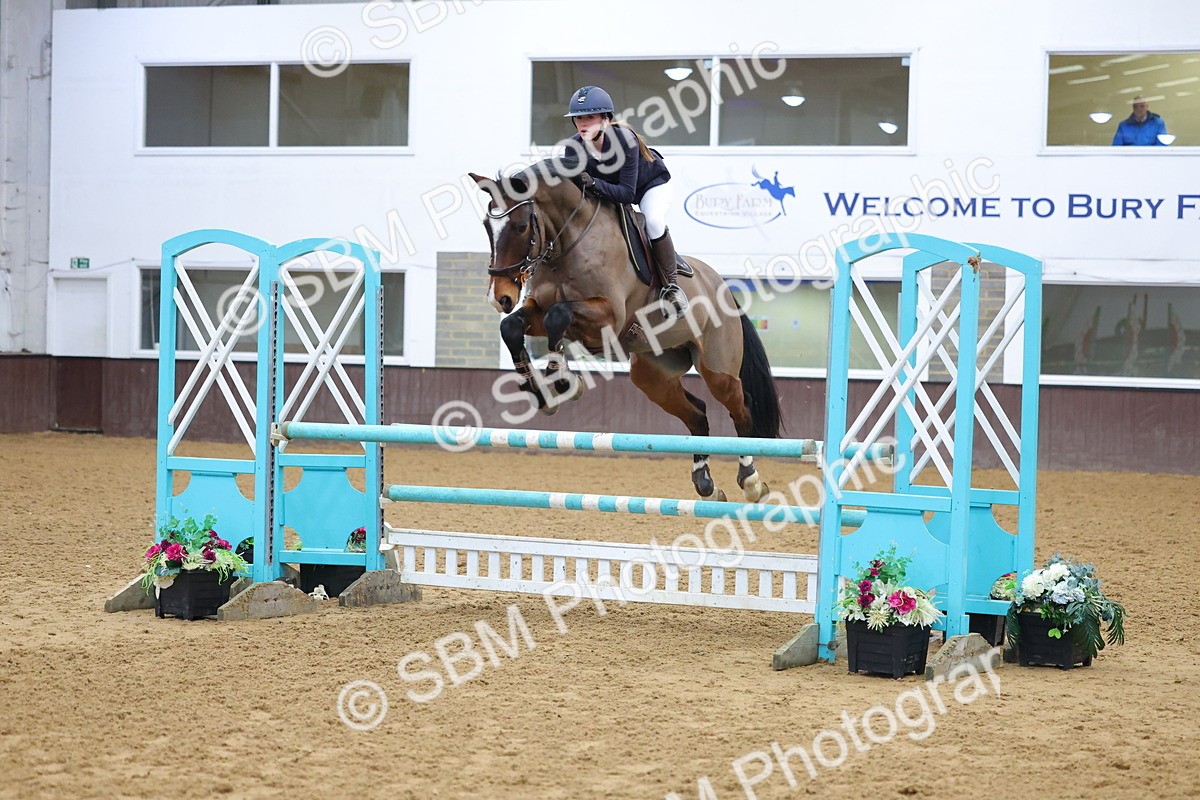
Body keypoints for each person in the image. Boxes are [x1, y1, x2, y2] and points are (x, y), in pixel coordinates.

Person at [563, 85, 688, 318]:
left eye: (590, 117)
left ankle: (672, 288)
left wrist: (593, 184)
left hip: (648, 186)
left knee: (653, 221)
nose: (583, 124)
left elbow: (627, 194)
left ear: (606, 120)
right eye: (578, 118)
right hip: (610, 192)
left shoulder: (625, 141)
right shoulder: (573, 148)